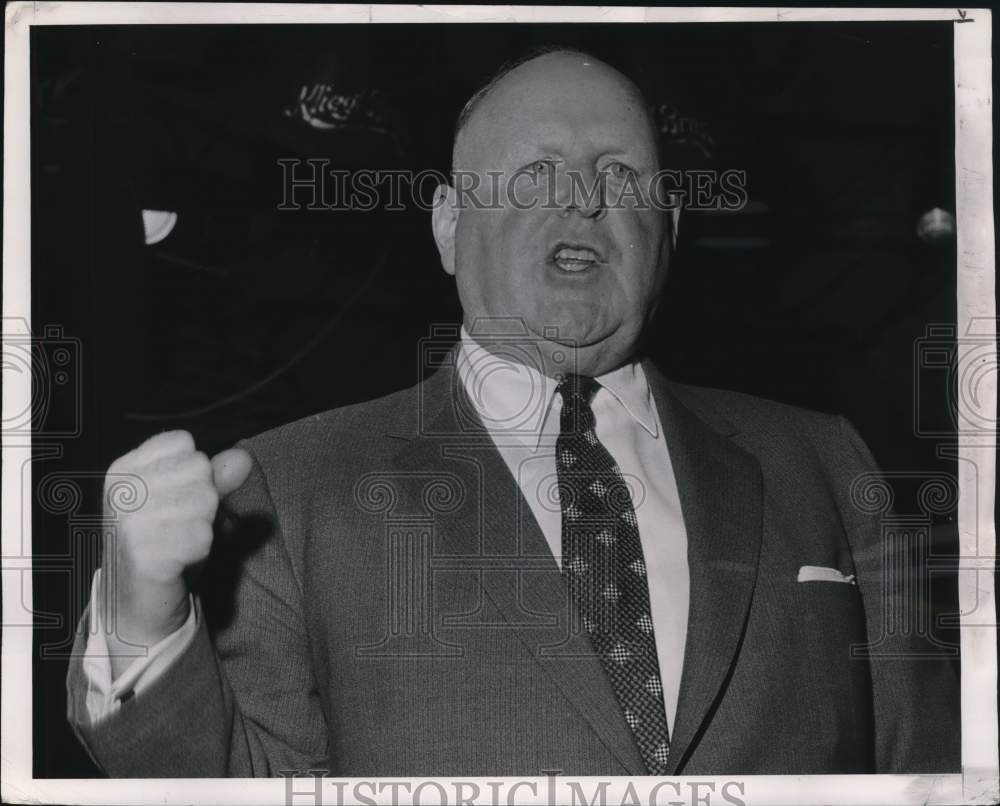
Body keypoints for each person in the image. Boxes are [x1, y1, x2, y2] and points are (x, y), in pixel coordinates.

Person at [66, 47, 958, 777]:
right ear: (449, 226)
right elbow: (228, 789)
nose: (583, 197)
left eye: (621, 172)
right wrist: (144, 622)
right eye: (535, 173)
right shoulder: (285, 492)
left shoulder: (825, 460)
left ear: (671, 228)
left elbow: (928, 768)